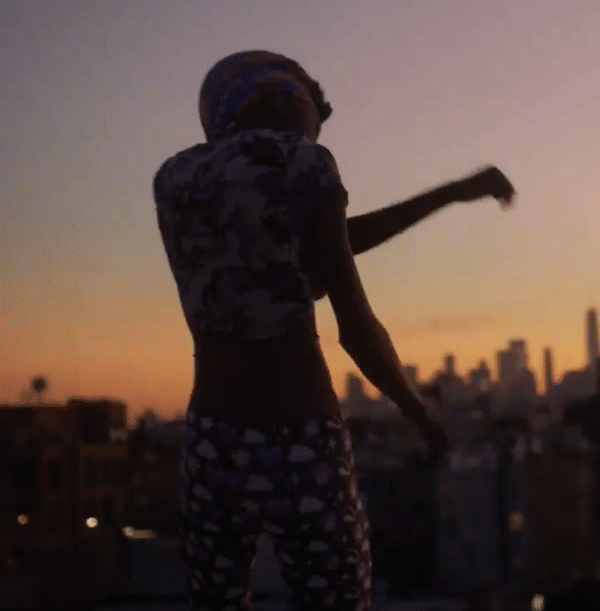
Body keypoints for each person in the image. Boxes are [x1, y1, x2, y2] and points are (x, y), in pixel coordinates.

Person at [152, 50, 516, 611]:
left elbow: (314, 248)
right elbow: (355, 324)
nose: (318, 121)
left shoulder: (175, 180)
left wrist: (449, 193)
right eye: (310, 103)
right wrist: (417, 410)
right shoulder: (305, 163)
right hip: (300, 439)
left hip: (211, 440)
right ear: (268, 98)